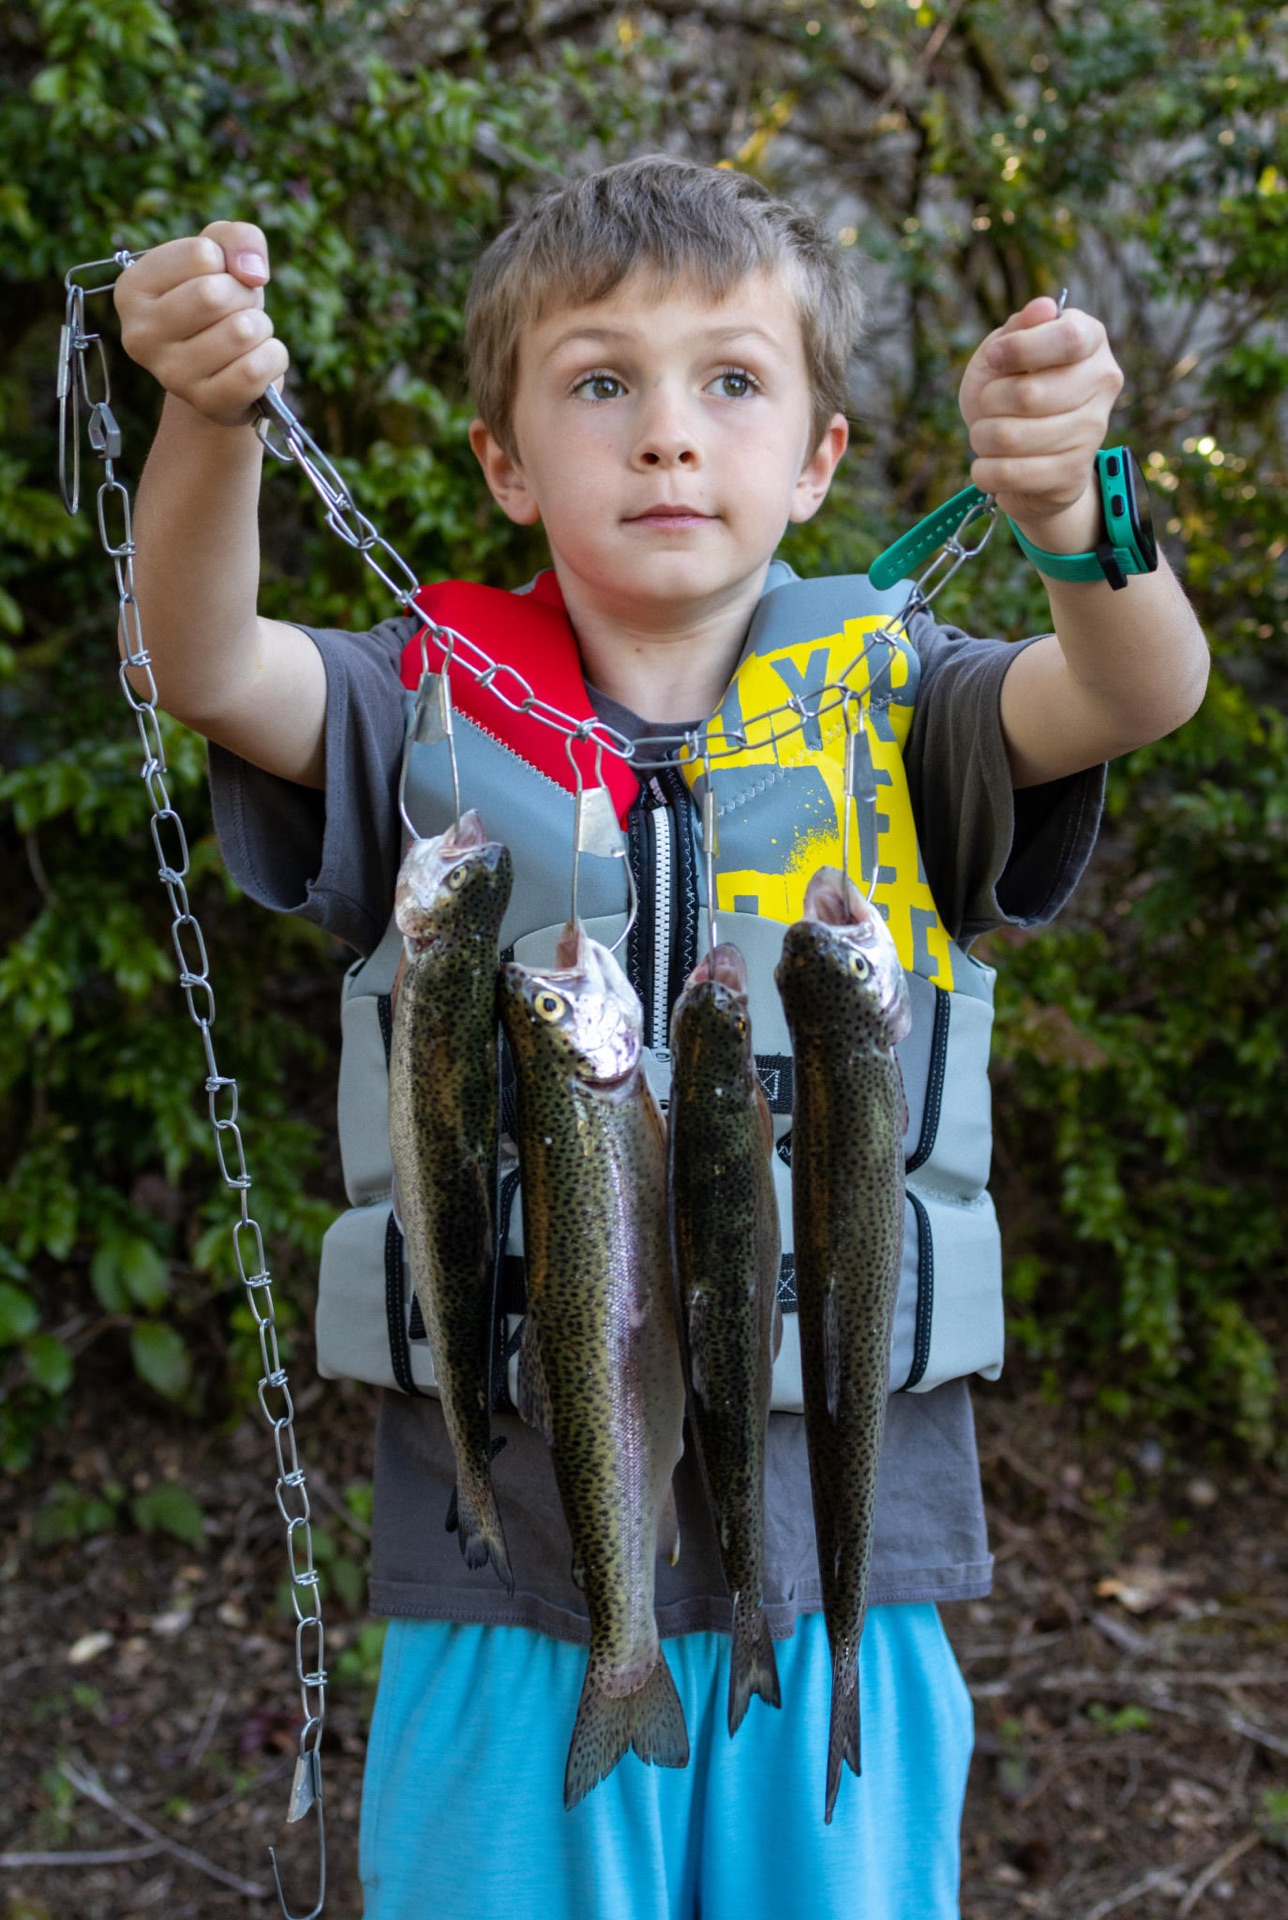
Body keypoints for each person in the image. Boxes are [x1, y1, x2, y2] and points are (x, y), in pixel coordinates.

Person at [114, 155, 1208, 1920]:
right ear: (505, 459)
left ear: (822, 457)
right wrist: (211, 418)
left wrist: (1093, 516)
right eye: (601, 382)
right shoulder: (422, 712)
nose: (669, 437)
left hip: (846, 1542)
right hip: (518, 1566)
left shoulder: (907, 704)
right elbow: (200, 654)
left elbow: (1142, 687)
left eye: (733, 382)